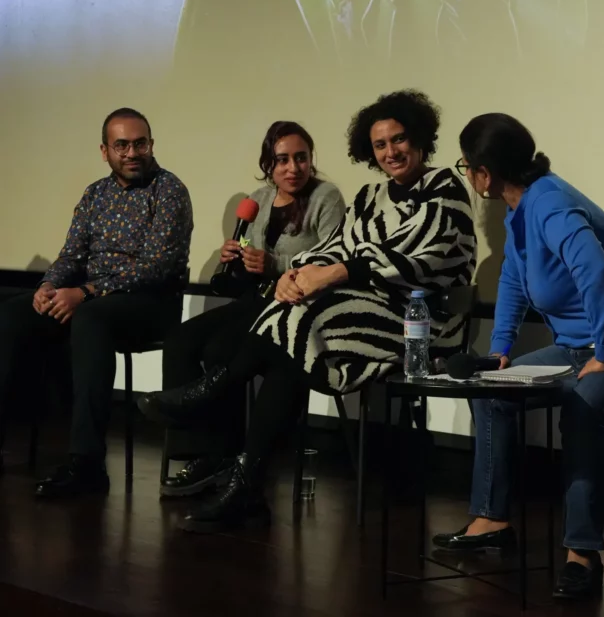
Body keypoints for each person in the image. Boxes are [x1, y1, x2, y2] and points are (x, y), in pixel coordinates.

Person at [139, 89, 477, 533]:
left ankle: (212, 393)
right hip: (362, 309)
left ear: (419, 139)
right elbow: (334, 248)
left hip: (418, 321)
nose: (391, 151)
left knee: (297, 323)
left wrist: (332, 274)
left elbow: (420, 258)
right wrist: (295, 274)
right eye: (380, 145)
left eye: (398, 140)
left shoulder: (444, 188)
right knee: (291, 345)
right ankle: (247, 482)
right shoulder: (370, 195)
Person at [432, 113, 604, 601]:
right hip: (576, 347)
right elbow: (511, 281)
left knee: (583, 409)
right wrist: (500, 351)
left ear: (484, 173)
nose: (468, 175)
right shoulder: (520, 209)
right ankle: (492, 518)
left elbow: (597, 276)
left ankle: (582, 554)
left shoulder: (551, 206)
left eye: (467, 166)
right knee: (491, 392)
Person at [0, 108, 193, 499]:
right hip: (93, 300)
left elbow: (155, 267)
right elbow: (72, 255)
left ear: (151, 145)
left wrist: (86, 293)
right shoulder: (95, 194)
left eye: (140, 143)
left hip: (150, 303)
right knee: (14, 313)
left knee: (88, 318)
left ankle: (88, 464)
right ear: (105, 151)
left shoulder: (169, 190)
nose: (132, 152)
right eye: (121, 145)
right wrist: (49, 285)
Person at [159, 120, 346, 499]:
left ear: (311, 160)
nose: (292, 168)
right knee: (181, 340)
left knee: (218, 350)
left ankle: (226, 457)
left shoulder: (327, 197)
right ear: (268, 163)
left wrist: (275, 263)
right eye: (282, 160)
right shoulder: (257, 200)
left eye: (301, 158)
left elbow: (331, 256)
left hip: (294, 306)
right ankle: (200, 451)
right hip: (253, 298)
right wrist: (231, 257)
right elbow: (242, 267)